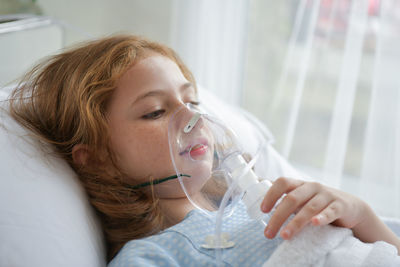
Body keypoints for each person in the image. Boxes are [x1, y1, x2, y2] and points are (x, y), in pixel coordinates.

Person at [8, 35, 400, 266]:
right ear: (97, 157)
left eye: (192, 102)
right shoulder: (152, 258)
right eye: (155, 111)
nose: (192, 118)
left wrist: (358, 213)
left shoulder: (277, 203)